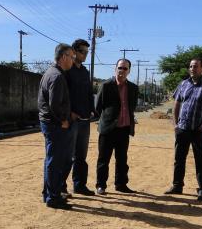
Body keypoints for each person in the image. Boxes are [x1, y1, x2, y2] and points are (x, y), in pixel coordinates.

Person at [164, 57, 202, 200]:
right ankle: (177, 186)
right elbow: (176, 104)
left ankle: (201, 189)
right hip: (182, 128)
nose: (193, 69)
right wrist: (175, 124)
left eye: (196, 66)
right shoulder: (183, 84)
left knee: (200, 159)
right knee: (179, 158)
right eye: (191, 66)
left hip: (199, 129)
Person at [37, 43, 75, 210]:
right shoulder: (57, 76)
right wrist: (63, 120)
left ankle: (48, 194)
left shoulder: (50, 73)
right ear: (64, 57)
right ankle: (53, 197)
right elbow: (54, 104)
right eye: (72, 57)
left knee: (50, 160)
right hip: (55, 124)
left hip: (48, 123)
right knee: (55, 160)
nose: (73, 60)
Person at [94, 58, 138, 195]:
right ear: (115, 69)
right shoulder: (106, 85)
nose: (122, 71)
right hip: (108, 129)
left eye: (125, 68)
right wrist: (107, 119)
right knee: (103, 159)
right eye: (120, 68)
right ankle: (101, 185)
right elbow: (97, 107)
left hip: (124, 129)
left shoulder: (133, 88)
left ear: (129, 71)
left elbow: (132, 106)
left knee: (122, 160)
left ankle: (121, 184)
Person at [63, 39, 95, 196]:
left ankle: (79, 185)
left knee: (81, 156)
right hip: (72, 120)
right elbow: (63, 95)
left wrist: (92, 110)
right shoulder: (67, 71)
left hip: (84, 120)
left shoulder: (84, 72)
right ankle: (61, 187)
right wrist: (69, 113)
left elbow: (89, 93)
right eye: (83, 52)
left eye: (87, 52)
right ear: (74, 51)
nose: (85, 55)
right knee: (67, 155)